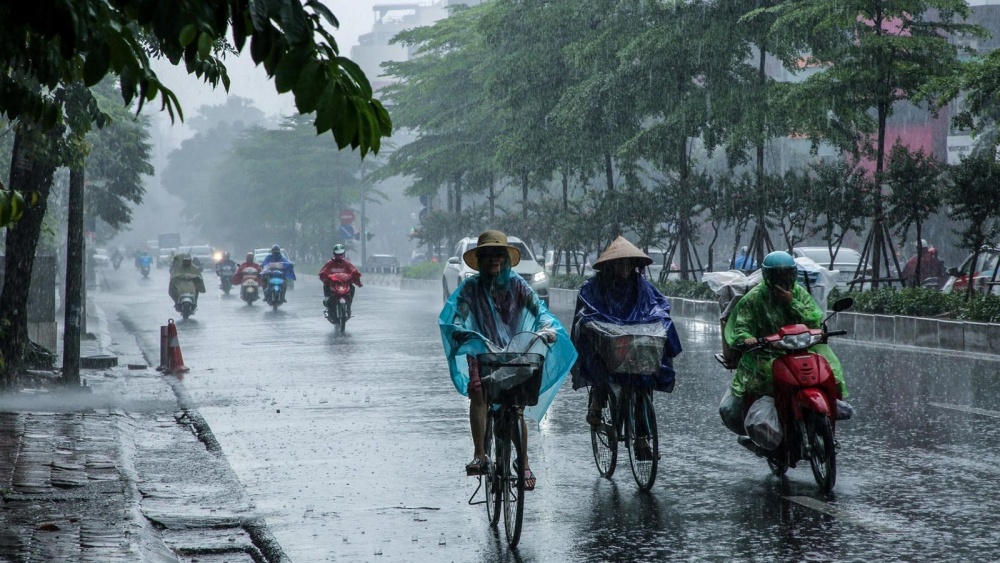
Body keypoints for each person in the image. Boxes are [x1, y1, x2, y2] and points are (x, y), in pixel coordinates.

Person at [439, 230, 577, 490]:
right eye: (488, 255)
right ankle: (480, 454)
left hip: (516, 352)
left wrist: (547, 328)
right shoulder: (470, 288)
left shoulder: (517, 285)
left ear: (505, 258)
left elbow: (539, 310)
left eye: (498, 254)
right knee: (478, 392)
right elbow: (458, 315)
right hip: (482, 351)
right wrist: (458, 329)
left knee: (516, 406)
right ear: (480, 260)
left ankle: (523, 462)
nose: (494, 259)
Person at [571, 237, 682, 461]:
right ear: (610, 265)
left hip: (634, 341)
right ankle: (597, 402)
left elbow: (658, 306)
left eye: (628, 263)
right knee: (600, 363)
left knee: (644, 381)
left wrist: (660, 322)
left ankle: (642, 438)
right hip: (607, 341)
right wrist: (594, 325)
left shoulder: (641, 286)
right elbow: (587, 311)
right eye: (619, 263)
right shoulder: (594, 286)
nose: (624, 268)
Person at [720, 251, 850, 436]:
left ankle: (829, 405)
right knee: (758, 383)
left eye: (786, 275)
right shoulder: (754, 299)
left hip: (802, 349)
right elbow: (741, 327)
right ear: (768, 276)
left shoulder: (800, 294)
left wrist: (791, 303)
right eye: (777, 275)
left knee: (830, 370)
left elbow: (814, 319)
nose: (782, 280)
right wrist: (747, 338)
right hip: (767, 353)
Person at [318, 244, 363, 316]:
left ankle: (348, 306)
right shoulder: (330, 263)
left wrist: (355, 275)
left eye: (341, 254)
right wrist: (325, 276)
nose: (339, 256)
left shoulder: (347, 263)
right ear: (334, 254)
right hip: (332, 285)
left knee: (352, 288)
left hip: (344, 284)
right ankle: (329, 307)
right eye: (337, 254)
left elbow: (353, 270)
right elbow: (324, 271)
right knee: (326, 286)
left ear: (344, 254)